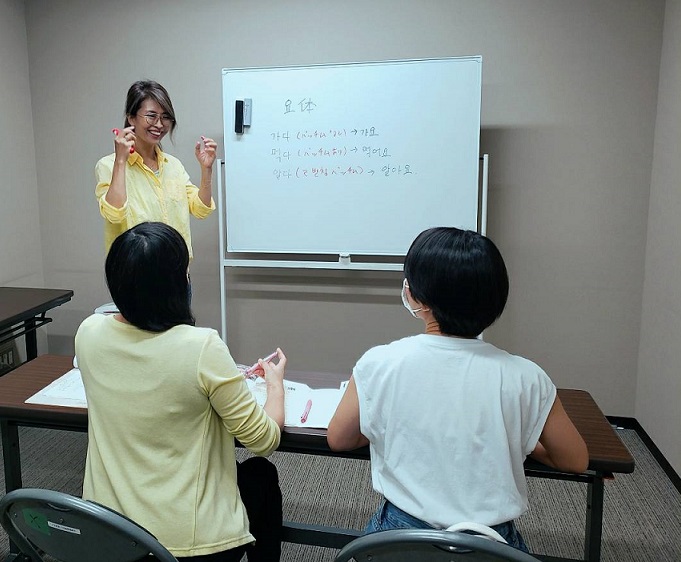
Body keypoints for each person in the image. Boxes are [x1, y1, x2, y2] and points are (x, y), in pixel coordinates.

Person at [327, 227, 588, 552]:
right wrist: (520, 439)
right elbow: (575, 459)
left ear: (415, 295)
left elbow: (340, 439)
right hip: (492, 544)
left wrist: (384, 428)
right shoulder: (528, 377)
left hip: (399, 537)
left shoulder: (379, 363)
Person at [75, 222, 285, 561]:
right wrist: (275, 387)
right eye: (186, 273)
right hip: (186, 548)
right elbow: (263, 440)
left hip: (110, 534)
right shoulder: (201, 347)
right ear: (175, 286)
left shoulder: (88, 333)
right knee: (261, 473)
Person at [95, 80, 217, 259]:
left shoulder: (173, 165)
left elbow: (201, 209)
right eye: (151, 116)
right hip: (134, 270)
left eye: (166, 117)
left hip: (176, 268)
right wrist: (120, 160)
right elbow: (114, 214)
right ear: (131, 117)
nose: (159, 124)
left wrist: (207, 170)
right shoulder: (108, 165)